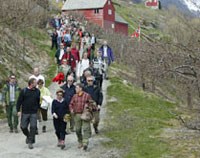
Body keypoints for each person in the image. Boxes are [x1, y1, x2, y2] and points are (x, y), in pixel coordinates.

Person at [16, 78, 40, 149]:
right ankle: (29, 136)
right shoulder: (24, 91)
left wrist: (38, 110)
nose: (36, 84)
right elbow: (19, 101)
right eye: (35, 83)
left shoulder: (37, 91)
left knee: (33, 127)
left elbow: (38, 101)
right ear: (31, 83)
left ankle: (30, 142)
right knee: (23, 127)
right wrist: (18, 110)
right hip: (25, 112)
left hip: (33, 112)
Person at [69, 83, 92, 151]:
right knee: (77, 129)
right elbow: (71, 104)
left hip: (85, 114)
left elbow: (92, 104)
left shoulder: (87, 95)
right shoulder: (74, 96)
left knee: (86, 128)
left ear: (80, 88)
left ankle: (85, 143)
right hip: (77, 114)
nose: (75, 89)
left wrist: (88, 108)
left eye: (76, 88)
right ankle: (80, 141)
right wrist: (72, 109)